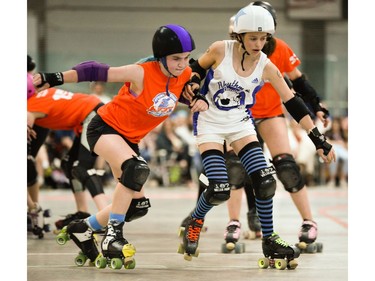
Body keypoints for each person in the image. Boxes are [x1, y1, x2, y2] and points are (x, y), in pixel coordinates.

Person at [33, 24, 208, 269]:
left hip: (128, 140)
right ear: (160, 58)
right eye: (176, 58)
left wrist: (198, 97)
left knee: (137, 206)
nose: (182, 64)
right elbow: (95, 70)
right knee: (135, 169)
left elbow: (196, 80)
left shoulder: (184, 75)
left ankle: (83, 229)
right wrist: (53, 78)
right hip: (105, 128)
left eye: (186, 58)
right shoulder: (141, 73)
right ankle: (112, 236)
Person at [181, 5, 335, 266]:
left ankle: (270, 239)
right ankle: (194, 221)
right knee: (220, 187)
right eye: (253, 38)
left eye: (264, 39)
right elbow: (196, 68)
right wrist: (193, 87)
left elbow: (293, 101)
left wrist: (318, 139)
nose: (259, 44)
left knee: (265, 180)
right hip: (210, 123)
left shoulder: (266, 65)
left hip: (241, 123)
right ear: (239, 36)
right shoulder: (221, 49)